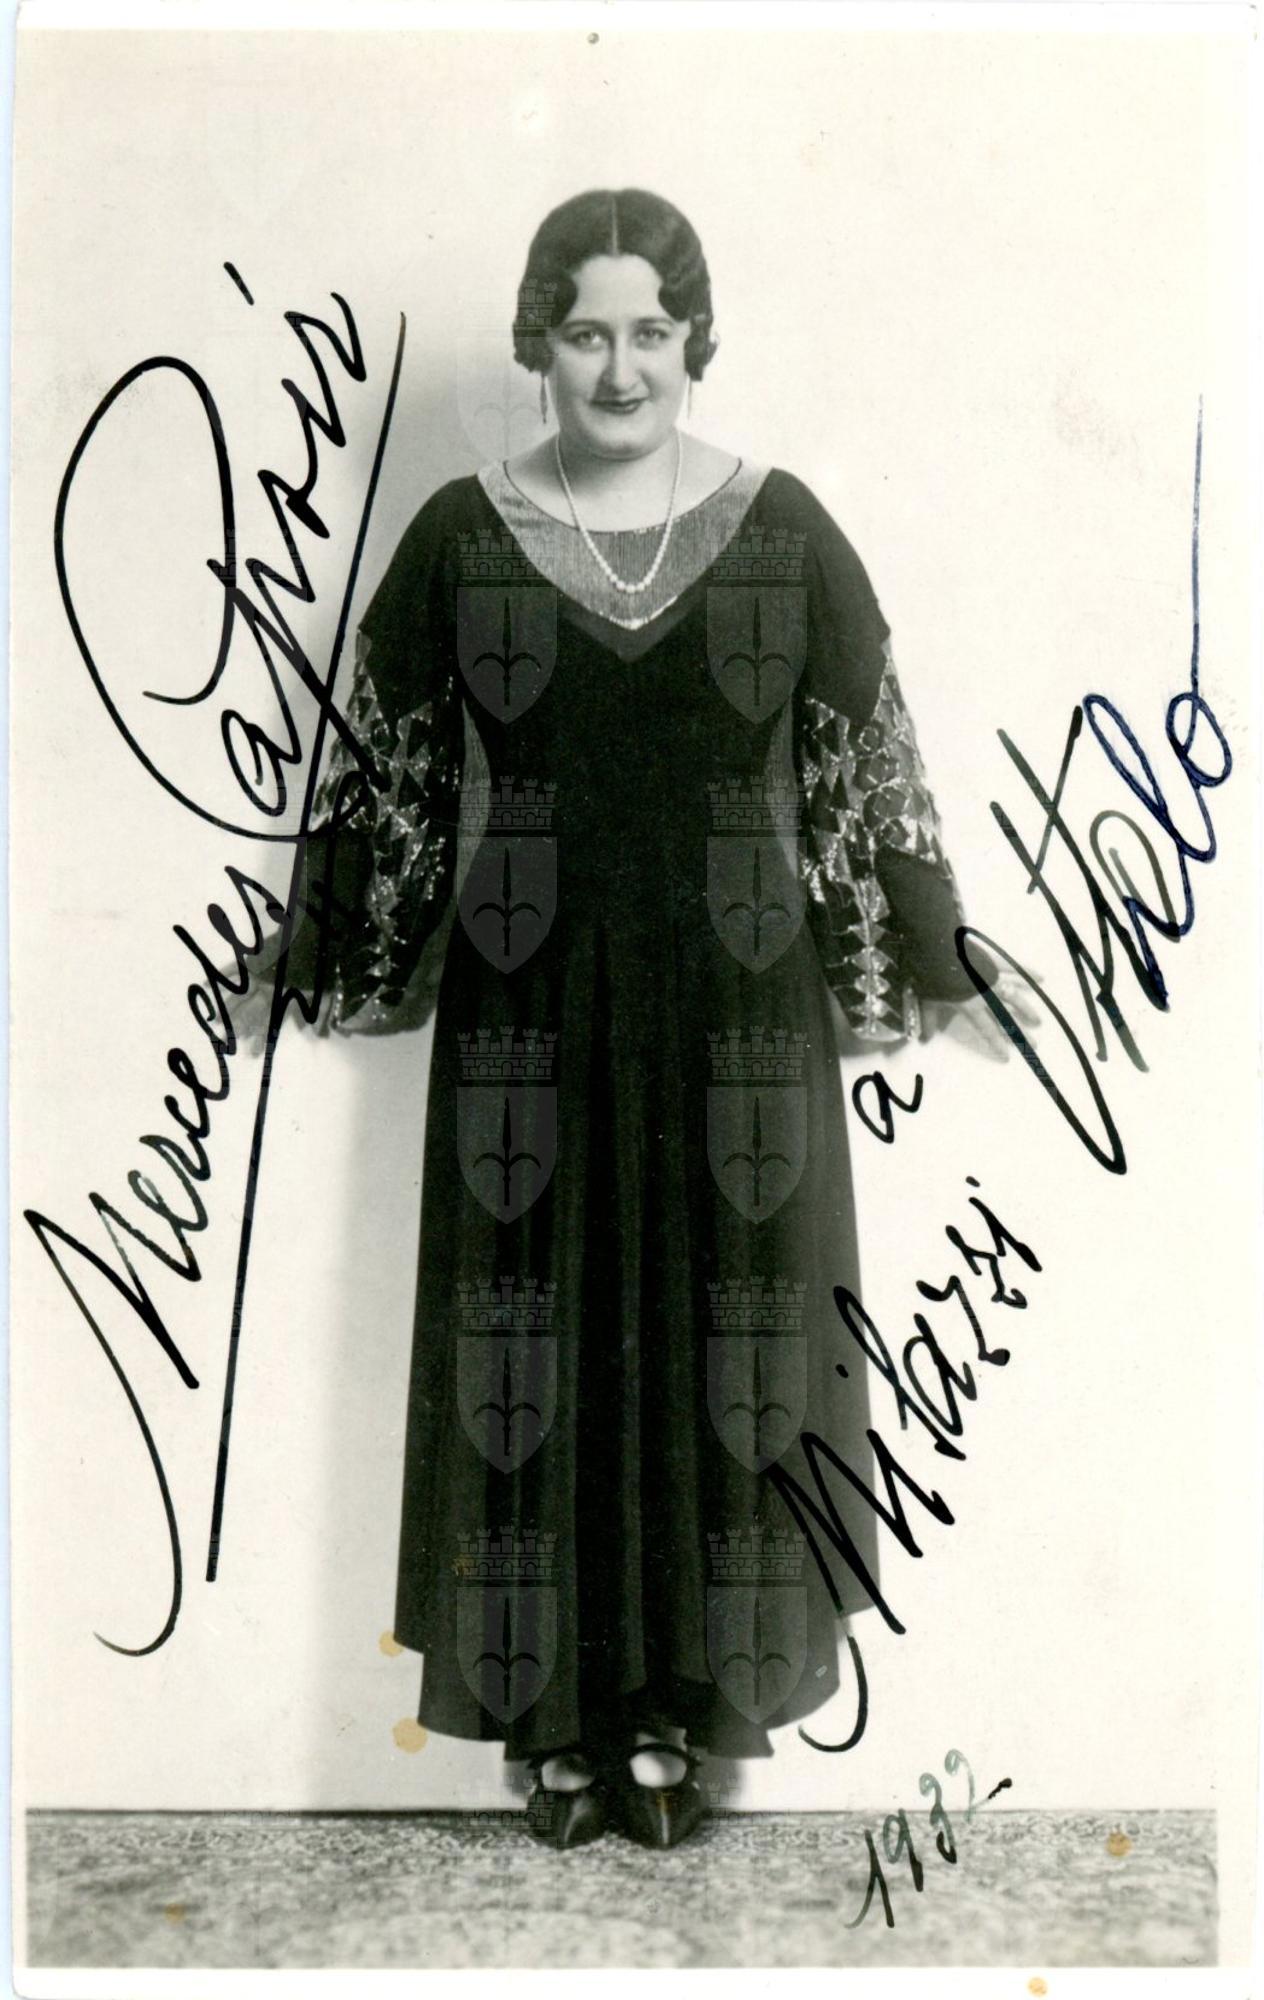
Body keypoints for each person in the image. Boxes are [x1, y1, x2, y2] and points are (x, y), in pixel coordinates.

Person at [232, 187, 1036, 1852]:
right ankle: (552, 1727)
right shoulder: (458, 537)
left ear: (694, 340)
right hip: (524, 1014)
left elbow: (875, 770)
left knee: (727, 1353)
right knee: (530, 1347)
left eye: (650, 332)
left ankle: (677, 1712)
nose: (619, 367)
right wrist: (298, 944)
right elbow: (383, 782)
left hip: (742, 1022)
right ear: (540, 339)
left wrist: (952, 956)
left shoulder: (787, 529)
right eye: (586, 331)